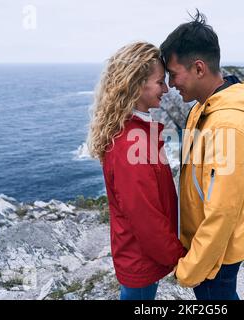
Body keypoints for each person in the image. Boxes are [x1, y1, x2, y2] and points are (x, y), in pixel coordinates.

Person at [160, 11, 244, 300]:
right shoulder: (204, 107)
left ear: (198, 68)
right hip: (206, 249)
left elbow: (222, 211)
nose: (171, 84)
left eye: (173, 74)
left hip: (215, 257)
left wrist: (190, 269)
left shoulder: (230, 126)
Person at [87, 42, 186, 300]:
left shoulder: (132, 132)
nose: (166, 89)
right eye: (159, 82)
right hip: (141, 259)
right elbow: (146, 220)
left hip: (139, 255)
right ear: (136, 84)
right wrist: (179, 258)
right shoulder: (131, 142)